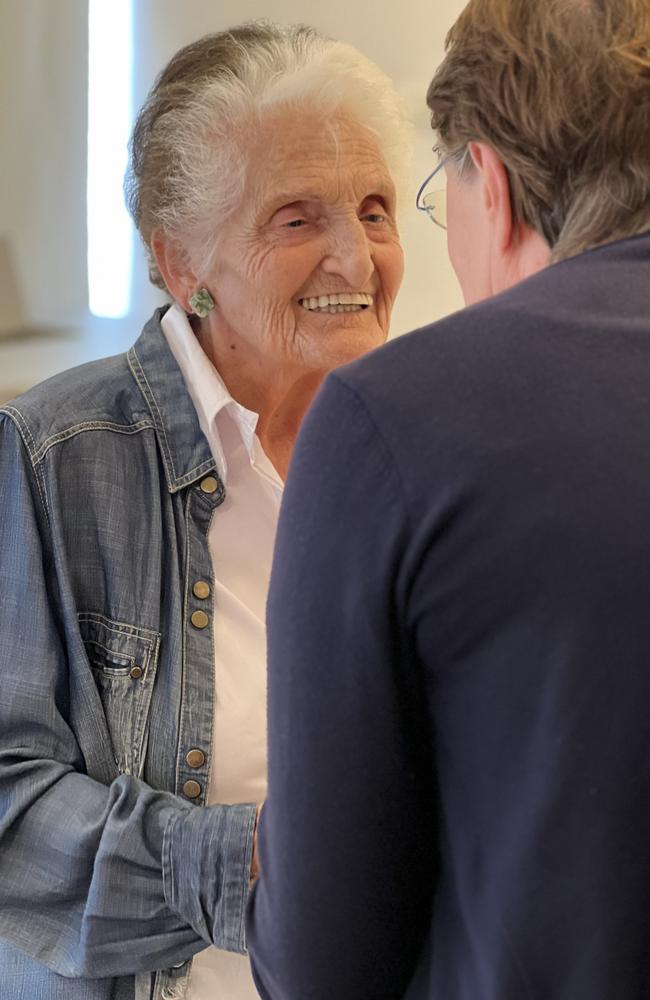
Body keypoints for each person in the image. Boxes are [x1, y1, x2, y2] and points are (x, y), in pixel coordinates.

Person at [0, 21, 412, 1000]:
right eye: (297, 219)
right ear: (181, 263)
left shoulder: (428, 451)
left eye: (373, 208)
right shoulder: (51, 453)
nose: (355, 258)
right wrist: (268, 865)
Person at [246, 1, 650, 998]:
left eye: (403, 205)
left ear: (495, 188)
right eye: (296, 219)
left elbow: (321, 960)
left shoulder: (391, 419)